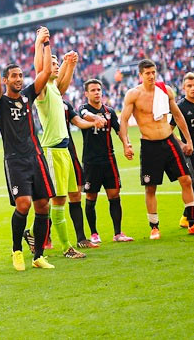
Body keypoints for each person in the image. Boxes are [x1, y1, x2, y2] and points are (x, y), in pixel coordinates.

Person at [0, 29, 56, 271]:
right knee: (23, 204)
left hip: (36, 157)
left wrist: (45, 42)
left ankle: (38, 255)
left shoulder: (28, 96)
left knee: (43, 206)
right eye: (14, 76)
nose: (18, 79)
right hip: (15, 160)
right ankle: (16, 250)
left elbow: (46, 72)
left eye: (20, 75)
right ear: (6, 80)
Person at [119, 59, 194, 239]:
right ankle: (154, 227)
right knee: (151, 187)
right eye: (147, 73)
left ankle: (192, 222)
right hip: (149, 144)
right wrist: (126, 143)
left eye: (153, 72)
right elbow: (124, 120)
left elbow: (177, 115)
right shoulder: (133, 94)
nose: (151, 76)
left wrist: (187, 141)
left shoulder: (165, 90)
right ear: (140, 75)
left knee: (187, 180)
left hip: (169, 141)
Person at [31, 28, 85, 259]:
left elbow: (62, 83)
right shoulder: (42, 89)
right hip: (52, 150)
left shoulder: (54, 89)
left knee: (66, 196)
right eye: (51, 62)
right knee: (58, 200)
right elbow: (39, 69)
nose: (54, 65)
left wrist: (68, 64)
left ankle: (36, 236)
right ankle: (65, 247)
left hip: (64, 150)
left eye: (55, 63)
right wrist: (41, 43)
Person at [78, 79, 134, 243]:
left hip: (109, 159)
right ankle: (94, 233)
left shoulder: (109, 112)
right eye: (93, 90)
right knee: (91, 197)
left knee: (115, 195)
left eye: (99, 90)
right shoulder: (84, 109)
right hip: (91, 161)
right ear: (86, 93)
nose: (97, 92)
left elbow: (120, 130)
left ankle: (118, 233)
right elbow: (84, 115)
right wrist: (95, 117)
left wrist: (127, 145)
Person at [63, 99, 104, 248]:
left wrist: (93, 123)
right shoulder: (44, 98)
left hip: (70, 151)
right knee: (55, 199)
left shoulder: (65, 104)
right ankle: (39, 235)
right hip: (53, 151)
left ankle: (81, 239)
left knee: (75, 194)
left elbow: (78, 121)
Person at [172, 72, 194, 226]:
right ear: (184, 88)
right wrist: (182, 144)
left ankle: (186, 217)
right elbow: (168, 130)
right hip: (193, 153)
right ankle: (191, 221)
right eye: (189, 86)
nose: (193, 88)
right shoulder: (179, 107)